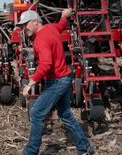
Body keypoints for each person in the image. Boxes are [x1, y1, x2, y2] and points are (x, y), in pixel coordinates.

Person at [18, 9, 94, 155]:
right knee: (65, 114)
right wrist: (64, 16)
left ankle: (31, 151)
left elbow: (45, 64)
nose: (23, 28)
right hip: (65, 78)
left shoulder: (40, 40)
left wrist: (31, 83)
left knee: (36, 114)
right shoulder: (51, 28)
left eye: (25, 24)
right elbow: (61, 25)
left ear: (35, 21)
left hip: (57, 81)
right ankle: (84, 147)